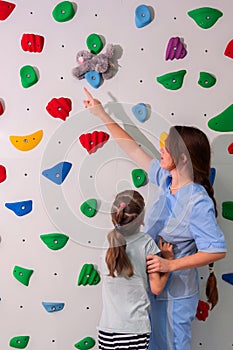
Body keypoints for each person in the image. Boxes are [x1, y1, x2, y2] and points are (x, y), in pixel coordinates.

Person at [83, 88, 226, 350]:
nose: (161, 149)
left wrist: (171, 266)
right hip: (152, 292)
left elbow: (216, 250)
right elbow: (132, 149)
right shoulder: (165, 180)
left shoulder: (197, 200)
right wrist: (101, 113)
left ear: (182, 158)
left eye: (167, 147)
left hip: (176, 297)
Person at [97, 189, 173, 350]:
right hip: (134, 330)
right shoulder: (146, 243)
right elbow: (157, 288)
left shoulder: (108, 243)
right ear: (141, 219)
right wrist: (169, 260)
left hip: (106, 330)